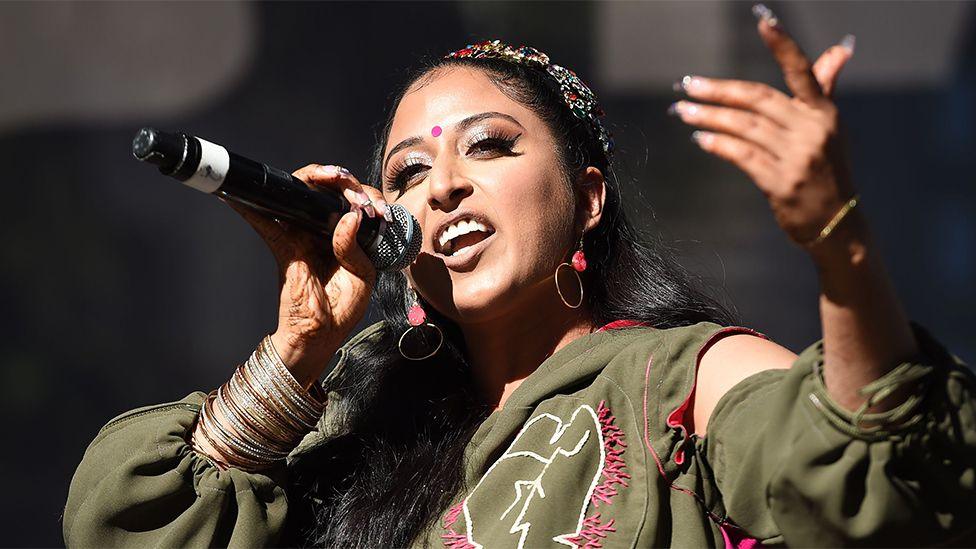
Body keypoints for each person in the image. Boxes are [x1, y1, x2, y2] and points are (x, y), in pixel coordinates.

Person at [64, 6, 974, 548]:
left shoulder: (676, 377)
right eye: (407, 174)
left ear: (586, 199)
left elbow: (879, 478)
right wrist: (301, 347)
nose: (445, 184)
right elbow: (122, 526)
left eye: (489, 146)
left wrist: (837, 246)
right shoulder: (355, 418)